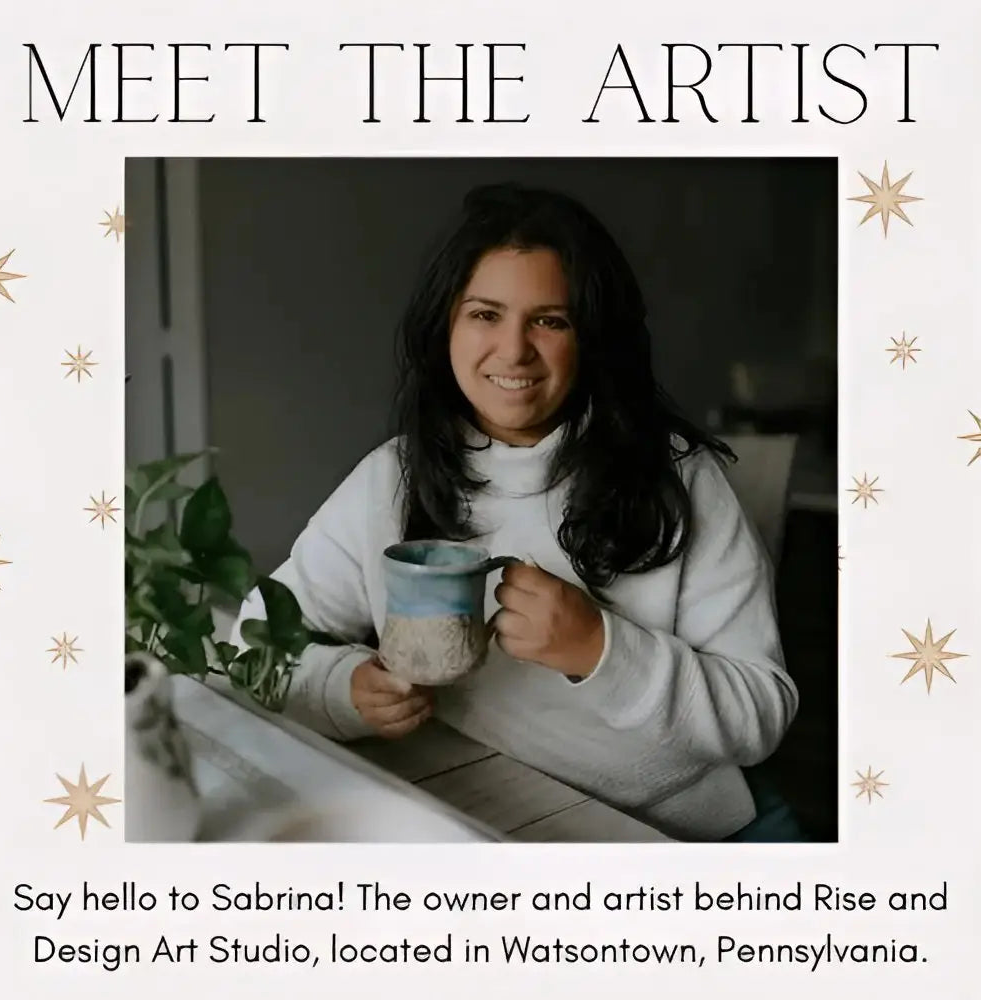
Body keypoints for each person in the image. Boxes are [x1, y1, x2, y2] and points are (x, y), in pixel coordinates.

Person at [230, 182, 803, 842]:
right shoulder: (391, 479)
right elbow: (255, 644)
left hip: (680, 829)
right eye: (485, 314)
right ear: (445, 324)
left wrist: (600, 648)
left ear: (593, 337)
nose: (513, 350)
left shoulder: (682, 479)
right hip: (491, 810)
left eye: (550, 320)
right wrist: (345, 691)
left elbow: (760, 713)